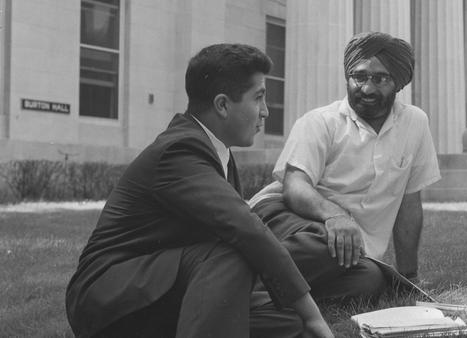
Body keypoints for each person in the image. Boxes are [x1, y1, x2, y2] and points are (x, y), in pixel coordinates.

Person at [65, 44, 333, 337]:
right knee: (234, 253)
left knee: (285, 323)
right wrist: (312, 315)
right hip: (108, 297)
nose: (266, 112)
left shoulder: (217, 152)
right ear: (222, 104)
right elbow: (246, 229)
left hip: (159, 289)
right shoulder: (179, 149)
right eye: (258, 98)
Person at [249, 32, 441, 299]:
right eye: (359, 76)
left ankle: (266, 295)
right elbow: (294, 186)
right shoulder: (320, 122)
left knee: (370, 281)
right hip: (285, 216)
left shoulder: (415, 123)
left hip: (348, 245)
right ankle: (232, 284)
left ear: (398, 83)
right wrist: (335, 215)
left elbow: (409, 203)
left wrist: (408, 277)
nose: (367, 88)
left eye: (380, 78)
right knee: (323, 248)